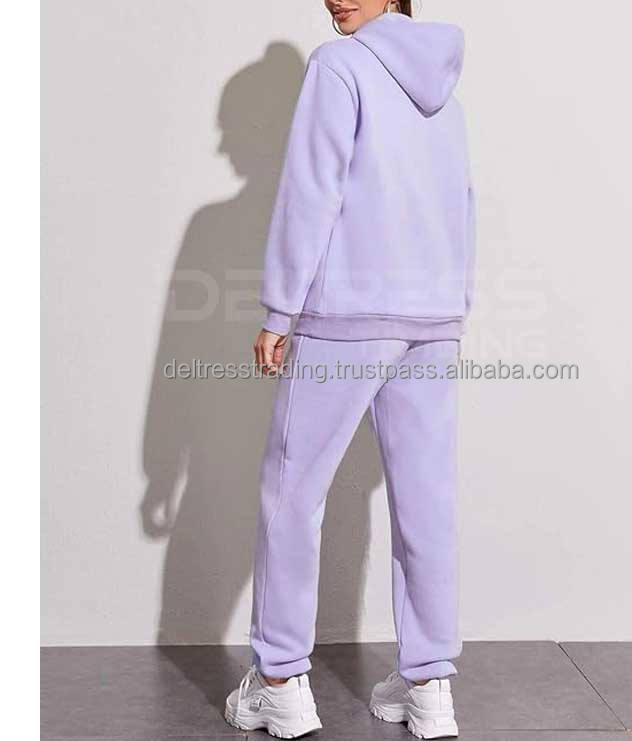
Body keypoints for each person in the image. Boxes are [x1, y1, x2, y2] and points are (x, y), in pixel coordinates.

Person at [225, 0, 475, 737]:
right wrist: (453, 305)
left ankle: (279, 680)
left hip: (348, 316)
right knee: (426, 500)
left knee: (291, 489)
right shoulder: (445, 83)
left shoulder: (338, 64)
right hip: (431, 317)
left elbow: (313, 189)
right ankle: (428, 686)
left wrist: (280, 310)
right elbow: (462, 201)